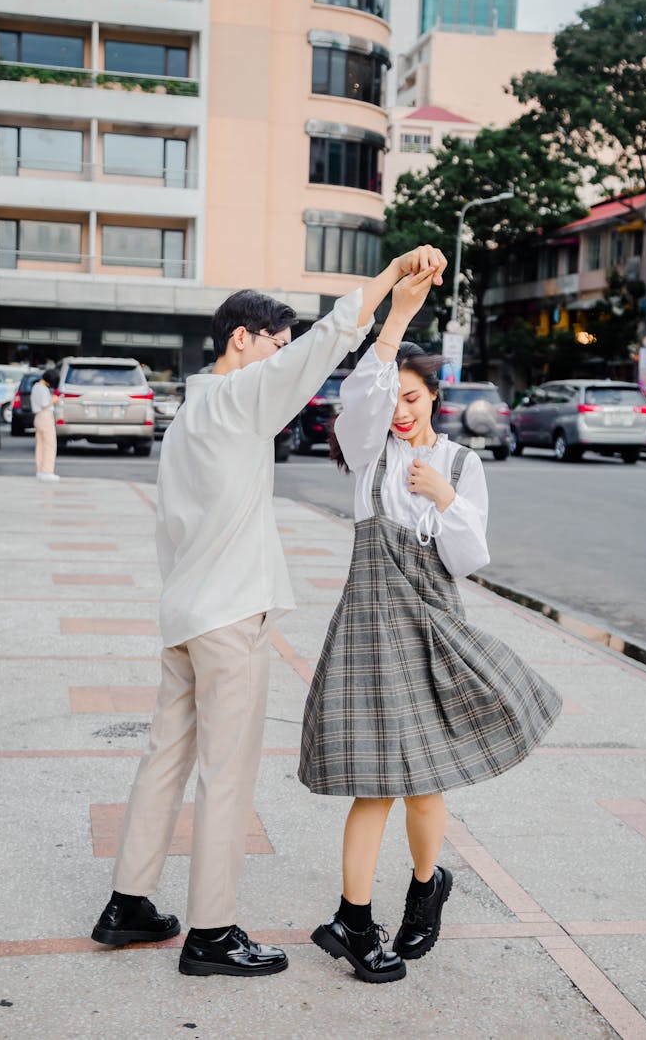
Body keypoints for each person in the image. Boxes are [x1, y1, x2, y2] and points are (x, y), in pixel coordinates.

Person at [90, 244, 448, 978]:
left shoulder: (191, 412)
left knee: (165, 758)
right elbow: (324, 344)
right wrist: (389, 283)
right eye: (273, 345)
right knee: (226, 775)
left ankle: (128, 903)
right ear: (241, 339)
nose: (281, 358)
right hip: (228, 619)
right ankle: (212, 933)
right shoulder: (237, 395)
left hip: (185, 613)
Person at [298, 288, 563, 984]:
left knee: (423, 784)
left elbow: (471, 559)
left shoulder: (459, 465)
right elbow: (360, 394)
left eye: (414, 397)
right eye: (395, 397)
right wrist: (397, 319)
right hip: (366, 633)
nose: (401, 409)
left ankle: (425, 887)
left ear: (433, 399)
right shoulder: (365, 454)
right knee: (371, 784)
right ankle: (354, 917)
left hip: (432, 629)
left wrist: (444, 501)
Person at [31, 369, 61, 483]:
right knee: (50, 444)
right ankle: (47, 471)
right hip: (45, 416)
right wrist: (54, 400)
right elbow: (45, 404)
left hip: (38, 417)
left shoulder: (35, 386)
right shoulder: (43, 389)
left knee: (40, 444)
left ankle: (40, 471)